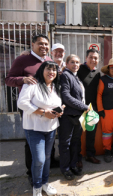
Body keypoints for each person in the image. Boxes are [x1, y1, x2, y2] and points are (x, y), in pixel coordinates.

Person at [5, 34, 59, 187]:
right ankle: (32, 172)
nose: (44, 47)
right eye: (40, 44)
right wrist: (22, 79)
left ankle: (46, 166)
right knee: (32, 141)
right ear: (32, 44)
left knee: (49, 136)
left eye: (46, 44)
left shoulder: (49, 61)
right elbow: (8, 79)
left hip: (48, 106)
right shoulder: (23, 60)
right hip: (30, 107)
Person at [17, 61, 62, 196]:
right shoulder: (32, 84)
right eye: (48, 69)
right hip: (34, 128)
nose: (51, 72)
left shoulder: (55, 86)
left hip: (51, 127)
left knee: (48, 158)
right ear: (42, 70)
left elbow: (56, 104)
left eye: (54, 70)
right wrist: (43, 112)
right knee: (39, 159)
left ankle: (45, 183)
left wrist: (59, 112)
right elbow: (21, 103)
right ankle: (37, 187)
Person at [59, 54, 90, 180]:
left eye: (77, 62)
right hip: (68, 116)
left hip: (77, 116)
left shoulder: (76, 77)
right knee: (65, 143)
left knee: (74, 142)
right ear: (66, 64)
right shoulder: (66, 75)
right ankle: (65, 169)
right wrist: (84, 107)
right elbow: (66, 96)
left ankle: (72, 165)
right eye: (72, 62)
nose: (75, 64)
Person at [77, 49, 101, 165]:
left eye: (95, 58)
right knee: (77, 133)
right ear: (86, 58)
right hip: (79, 107)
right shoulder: (79, 70)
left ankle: (90, 155)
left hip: (92, 108)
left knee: (91, 132)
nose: (93, 60)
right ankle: (76, 158)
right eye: (91, 57)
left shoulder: (98, 73)